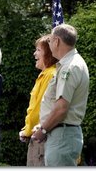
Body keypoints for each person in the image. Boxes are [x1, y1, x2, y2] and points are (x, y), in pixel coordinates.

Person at [32, 24, 89, 166]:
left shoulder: (70, 67)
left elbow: (61, 108)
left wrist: (43, 129)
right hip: (62, 135)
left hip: (62, 137)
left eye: (50, 40)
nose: (49, 44)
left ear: (57, 41)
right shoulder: (70, 64)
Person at [18, 34, 58, 166]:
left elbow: (40, 109)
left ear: (49, 53)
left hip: (43, 138)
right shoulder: (44, 75)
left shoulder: (50, 75)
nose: (35, 54)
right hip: (37, 136)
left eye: (39, 50)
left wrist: (27, 130)